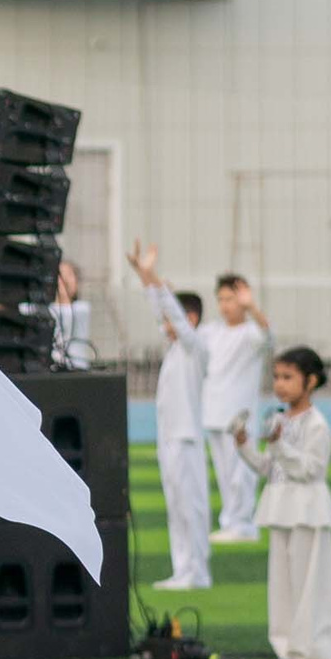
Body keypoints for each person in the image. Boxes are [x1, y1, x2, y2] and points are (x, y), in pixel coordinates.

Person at [235, 347, 331, 659]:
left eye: (288, 377)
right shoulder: (278, 418)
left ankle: (312, 650)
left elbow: (310, 469)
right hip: (281, 506)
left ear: (311, 381)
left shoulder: (317, 425)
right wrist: (244, 447)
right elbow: (269, 467)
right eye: (277, 377)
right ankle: (287, 647)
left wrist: (279, 445)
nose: (280, 384)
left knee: (308, 584)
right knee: (281, 584)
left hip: (306, 508)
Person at [129, 242, 211, 589]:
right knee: (176, 507)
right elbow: (160, 312)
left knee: (190, 507)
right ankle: (184, 569)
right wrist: (143, 277)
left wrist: (153, 276)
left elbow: (172, 315)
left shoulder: (196, 347)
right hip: (169, 438)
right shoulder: (177, 347)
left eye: (174, 318)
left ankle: (196, 571)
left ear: (189, 319)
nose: (165, 324)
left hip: (186, 437)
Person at [202, 272, 273, 544]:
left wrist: (252, 306)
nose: (225, 305)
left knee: (241, 474)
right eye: (221, 299)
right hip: (214, 413)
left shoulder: (250, 333)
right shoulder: (212, 331)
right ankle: (230, 522)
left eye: (230, 299)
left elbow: (268, 335)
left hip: (240, 416)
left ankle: (244, 524)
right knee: (224, 474)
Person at [48, 257, 94, 371]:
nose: (63, 280)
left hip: (78, 368)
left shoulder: (82, 308)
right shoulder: (45, 309)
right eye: (60, 275)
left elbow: (65, 315)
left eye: (69, 275)